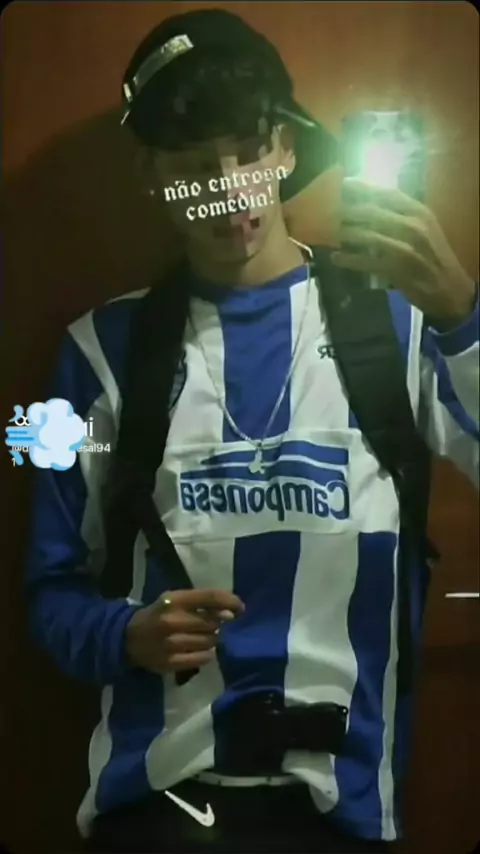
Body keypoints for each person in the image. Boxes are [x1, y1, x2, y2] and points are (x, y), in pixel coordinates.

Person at [25, 8, 479, 854]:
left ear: (287, 149)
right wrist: (124, 636)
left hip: (342, 813)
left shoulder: (401, 326)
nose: (228, 188)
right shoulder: (93, 353)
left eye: (248, 151)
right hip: (155, 811)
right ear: (152, 174)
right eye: (196, 166)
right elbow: (48, 592)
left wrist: (463, 314)